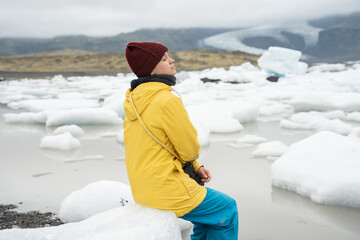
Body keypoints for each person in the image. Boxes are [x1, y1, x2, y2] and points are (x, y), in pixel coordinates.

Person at [123, 42, 238, 240]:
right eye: (164, 58)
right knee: (227, 209)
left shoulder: (133, 101)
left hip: (143, 189)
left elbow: (158, 148)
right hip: (166, 188)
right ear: (150, 68)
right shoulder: (166, 100)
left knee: (207, 217)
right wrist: (194, 159)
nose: (171, 60)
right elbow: (189, 150)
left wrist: (195, 166)